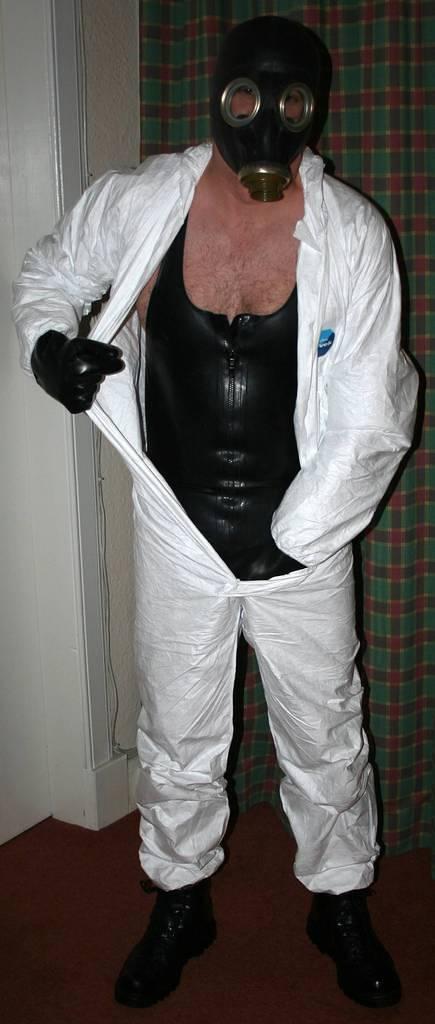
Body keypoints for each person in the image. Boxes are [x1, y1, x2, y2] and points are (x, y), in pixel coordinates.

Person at [12, 16, 418, 1012]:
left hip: (303, 541)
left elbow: (373, 411)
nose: (266, 123)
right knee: (177, 728)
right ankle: (180, 897)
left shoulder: (352, 234)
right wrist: (49, 348)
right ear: (216, 93)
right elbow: (51, 274)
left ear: (318, 109)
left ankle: (338, 899)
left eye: (292, 102)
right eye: (246, 97)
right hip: (178, 527)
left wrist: (298, 536)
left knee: (325, 729)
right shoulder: (144, 201)